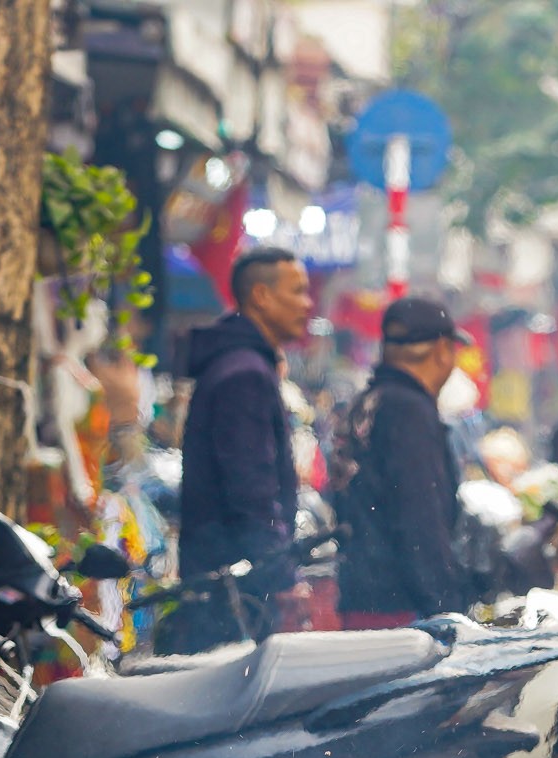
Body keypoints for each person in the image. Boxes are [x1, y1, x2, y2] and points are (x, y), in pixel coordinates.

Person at [174, 247, 313, 649]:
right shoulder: (244, 375)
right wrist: (279, 575)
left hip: (228, 581)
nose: (307, 304)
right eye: (298, 291)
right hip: (234, 592)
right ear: (261, 296)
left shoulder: (244, 365)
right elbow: (251, 487)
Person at [332, 297, 473, 628]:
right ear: (442, 350)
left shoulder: (367, 402)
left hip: (360, 596)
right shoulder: (409, 410)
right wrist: (447, 611)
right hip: (400, 612)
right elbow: (419, 516)